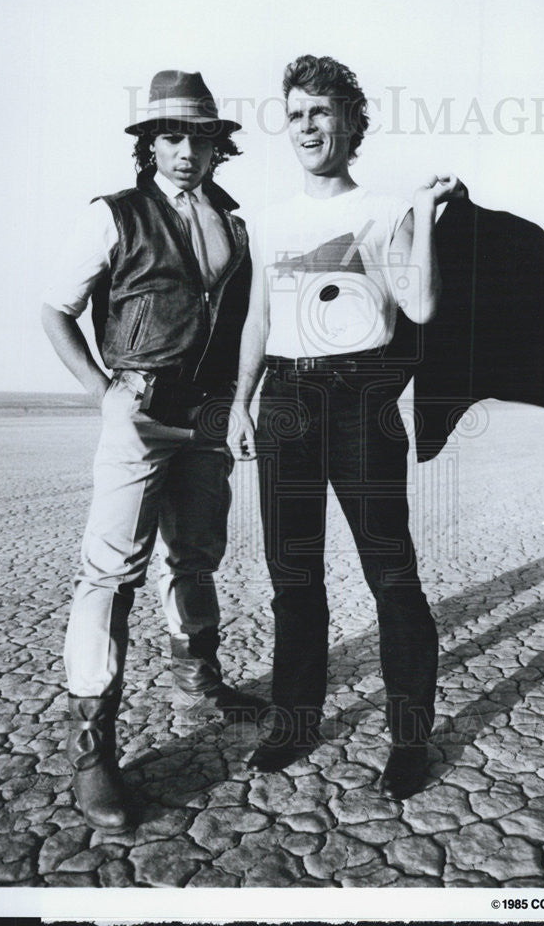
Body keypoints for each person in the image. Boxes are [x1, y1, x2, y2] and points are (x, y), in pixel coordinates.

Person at [229, 54, 466, 800]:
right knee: (293, 575)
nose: (306, 126)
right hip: (285, 402)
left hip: (362, 398)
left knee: (391, 576)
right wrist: (241, 399)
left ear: (351, 123)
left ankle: (409, 737)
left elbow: (421, 307)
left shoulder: (387, 210)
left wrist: (423, 218)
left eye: (321, 112)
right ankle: (294, 724)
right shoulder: (267, 220)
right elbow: (259, 318)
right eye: (295, 114)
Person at [42, 70, 265, 833]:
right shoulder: (113, 215)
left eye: (200, 138)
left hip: (205, 419)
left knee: (196, 554)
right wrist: (101, 390)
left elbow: (242, 327)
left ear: (216, 149)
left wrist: (238, 407)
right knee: (110, 571)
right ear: (149, 146)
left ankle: (198, 682)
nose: (185, 152)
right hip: (136, 412)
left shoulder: (235, 223)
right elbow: (56, 309)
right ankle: (92, 748)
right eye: (171, 137)